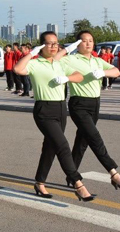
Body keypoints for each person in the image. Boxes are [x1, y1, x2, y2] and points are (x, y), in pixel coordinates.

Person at [14, 31, 93, 202]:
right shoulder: (35, 64)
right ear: (42, 46)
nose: (53, 46)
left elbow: (79, 76)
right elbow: (18, 69)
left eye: (56, 43)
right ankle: (78, 184)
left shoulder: (59, 63)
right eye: (49, 43)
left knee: (51, 147)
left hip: (61, 109)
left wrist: (66, 78)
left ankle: (39, 182)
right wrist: (32, 53)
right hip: (44, 110)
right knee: (63, 145)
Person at [55, 31, 120, 190]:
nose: (88, 43)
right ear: (78, 44)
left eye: (91, 40)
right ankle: (113, 172)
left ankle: (71, 176)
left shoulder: (97, 60)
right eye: (84, 41)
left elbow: (116, 71)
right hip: (79, 104)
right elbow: (55, 60)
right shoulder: (71, 59)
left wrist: (103, 72)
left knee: (83, 141)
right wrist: (68, 49)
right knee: (94, 137)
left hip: (95, 104)